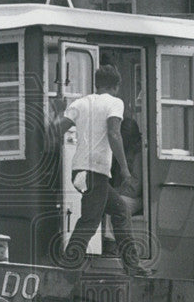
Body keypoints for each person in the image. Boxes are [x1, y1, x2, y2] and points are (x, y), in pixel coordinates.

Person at [51, 65, 148, 276]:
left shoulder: (81, 102)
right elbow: (114, 134)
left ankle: (133, 266)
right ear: (117, 86)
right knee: (90, 220)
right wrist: (125, 170)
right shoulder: (115, 103)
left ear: (96, 84)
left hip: (80, 172)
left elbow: (57, 128)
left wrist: (60, 109)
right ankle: (68, 267)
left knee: (120, 211)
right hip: (96, 171)